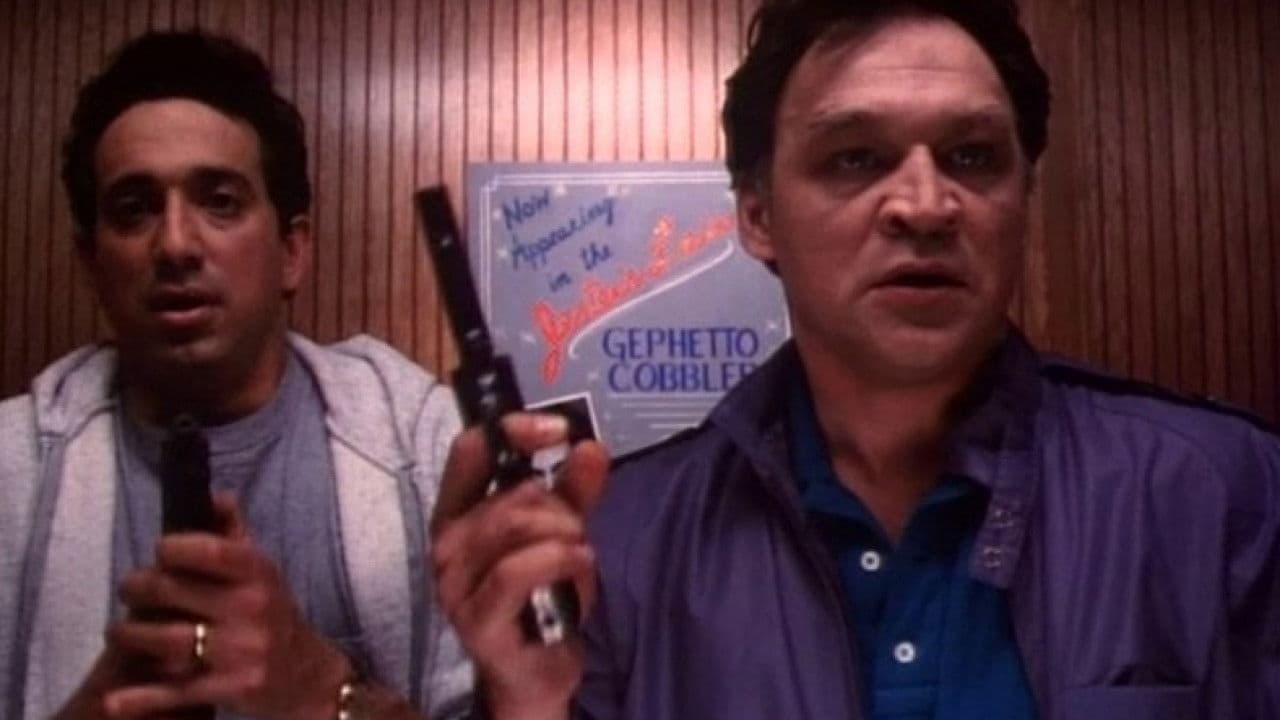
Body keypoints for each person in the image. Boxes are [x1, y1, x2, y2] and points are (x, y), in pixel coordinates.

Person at [432, 0, 1280, 718]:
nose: (925, 204)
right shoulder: (618, 546)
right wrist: (524, 702)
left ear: (1024, 197)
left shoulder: (1225, 494)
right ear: (758, 217)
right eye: (856, 158)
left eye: (973, 156)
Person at [0, 31, 471, 719]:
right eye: (134, 210)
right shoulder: (12, 475)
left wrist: (323, 693)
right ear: (92, 264)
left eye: (219, 201)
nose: (175, 244)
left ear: (291, 251)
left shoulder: (429, 457)